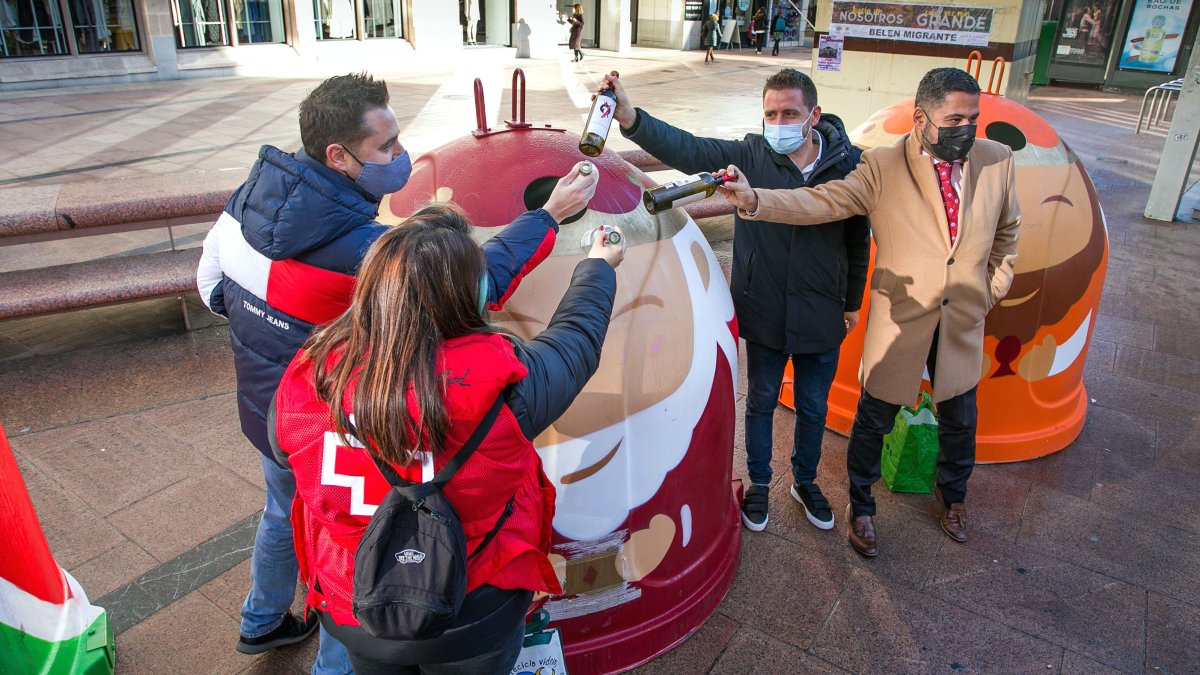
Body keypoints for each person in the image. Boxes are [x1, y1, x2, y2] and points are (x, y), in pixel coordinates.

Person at [195, 72, 596, 672]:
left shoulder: (247, 201)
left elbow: (210, 290)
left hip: (277, 416)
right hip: (356, 421)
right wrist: (549, 218)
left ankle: (264, 620)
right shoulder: (365, 250)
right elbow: (471, 286)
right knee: (360, 555)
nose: (400, 155)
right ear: (339, 155)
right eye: (386, 147)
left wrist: (285, 338)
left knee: (292, 515)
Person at [271, 204, 625, 674]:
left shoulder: (308, 378)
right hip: (476, 609)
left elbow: (283, 451)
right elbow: (576, 338)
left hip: (358, 602)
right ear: (470, 295)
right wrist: (597, 264)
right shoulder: (511, 385)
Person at [717, 68, 1020, 557]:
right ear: (922, 118)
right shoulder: (882, 165)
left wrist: (988, 293)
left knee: (962, 417)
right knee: (873, 417)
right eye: (954, 118)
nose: (966, 128)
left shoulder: (997, 160)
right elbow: (823, 202)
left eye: (973, 118)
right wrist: (755, 201)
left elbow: (1007, 238)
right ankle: (862, 505)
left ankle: (954, 496)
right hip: (902, 319)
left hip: (963, 317)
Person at [604, 68, 868, 532]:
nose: (778, 121)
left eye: (789, 112)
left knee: (813, 406)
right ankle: (761, 484)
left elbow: (857, 239)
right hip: (764, 307)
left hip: (821, 310)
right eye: (770, 113)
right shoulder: (749, 154)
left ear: (815, 115)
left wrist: (850, 302)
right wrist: (633, 119)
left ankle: (804, 481)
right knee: (761, 400)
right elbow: (689, 148)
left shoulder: (849, 166)